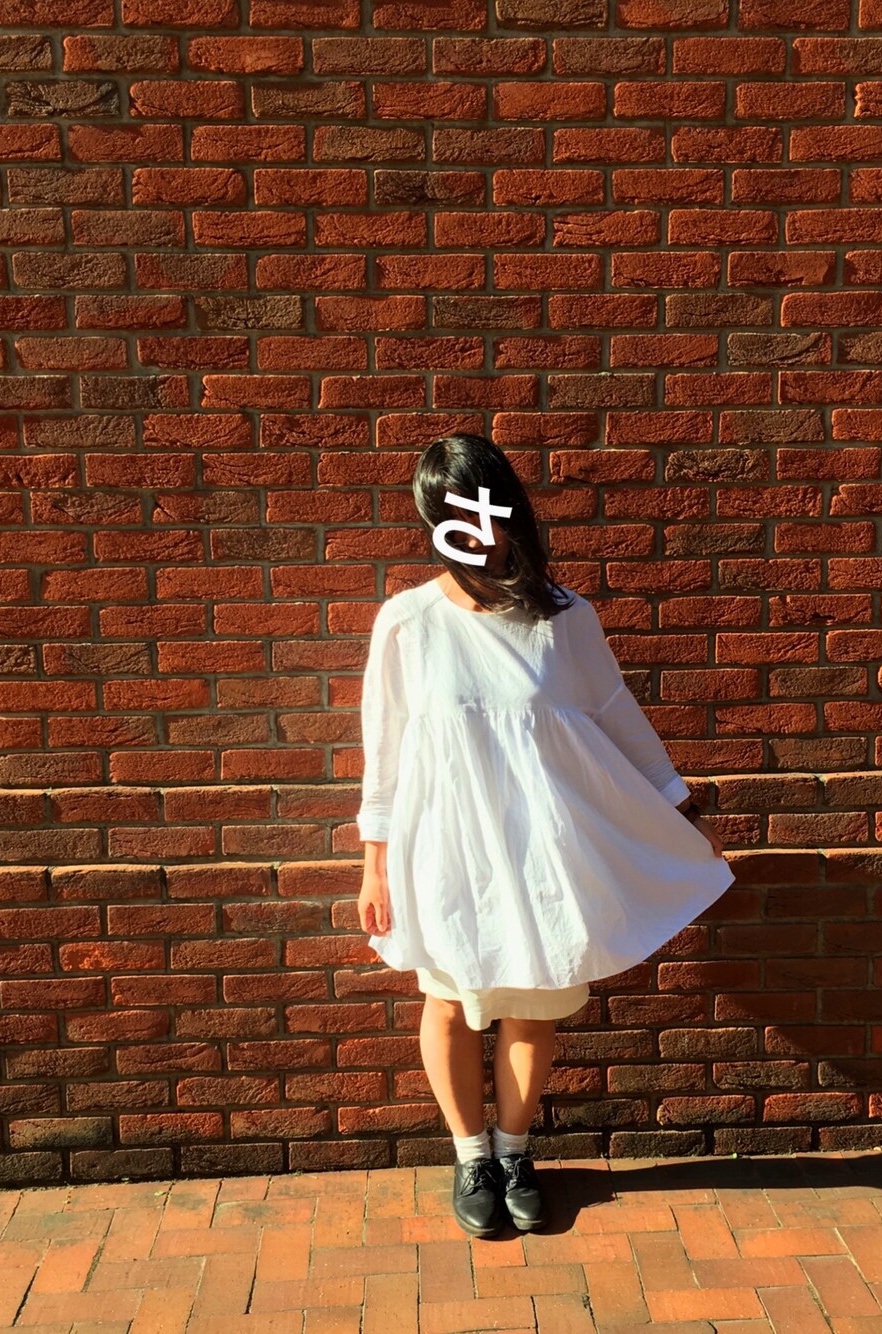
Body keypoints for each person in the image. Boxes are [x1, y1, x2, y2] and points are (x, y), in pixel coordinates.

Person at [355, 433, 735, 1239]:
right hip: (447, 849)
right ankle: (470, 1158)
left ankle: (514, 1151)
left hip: (543, 853)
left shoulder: (564, 618)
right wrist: (375, 863)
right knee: (450, 1003)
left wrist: (681, 809)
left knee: (533, 1007)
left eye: (483, 508)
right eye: (453, 513)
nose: (474, 528)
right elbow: (383, 748)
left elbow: (617, 716)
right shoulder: (408, 623)